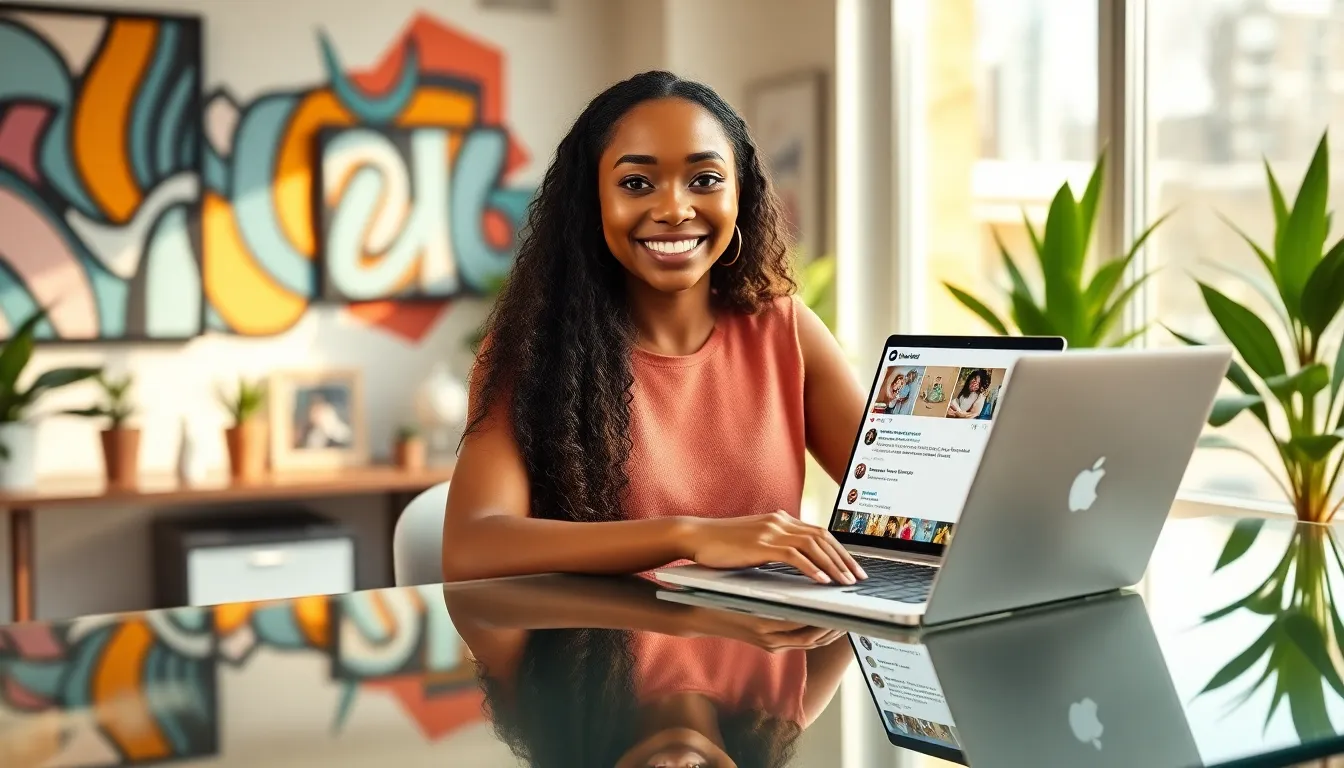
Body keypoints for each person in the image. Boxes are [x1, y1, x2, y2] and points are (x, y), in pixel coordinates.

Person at [443, 71, 868, 587]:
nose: (674, 209)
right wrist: (686, 537)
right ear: (593, 202)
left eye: (705, 180)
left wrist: (818, 664)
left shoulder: (786, 330)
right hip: (596, 664)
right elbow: (473, 545)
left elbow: (907, 515)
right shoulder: (534, 350)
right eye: (636, 183)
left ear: (741, 195)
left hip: (767, 653)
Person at [445, 575, 852, 768]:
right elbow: (874, 574)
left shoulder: (547, 696)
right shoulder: (779, 706)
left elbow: (474, 599)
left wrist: (679, 615)